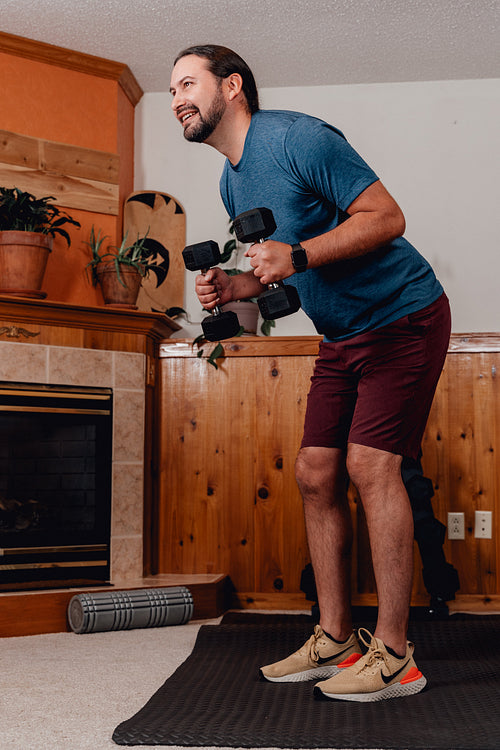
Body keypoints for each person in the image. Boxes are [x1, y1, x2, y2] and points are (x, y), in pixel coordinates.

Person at [170, 45, 451, 702]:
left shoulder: (298, 139)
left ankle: (397, 655)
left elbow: (388, 218)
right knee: (315, 471)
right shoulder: (231, 182)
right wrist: (236, 285)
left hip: (403, 316)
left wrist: (294, 253)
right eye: (173, 88)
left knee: (370, 466)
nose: (177, 96)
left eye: (188, 82)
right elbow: (283, 273)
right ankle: (335, 636)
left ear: (231, 86)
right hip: (343, 337)